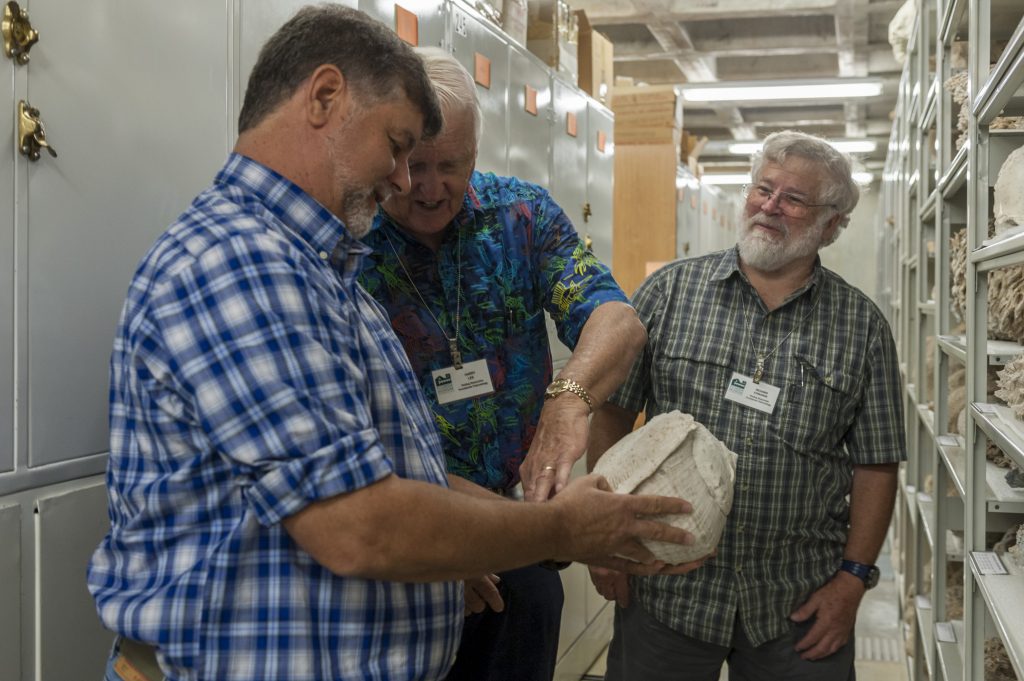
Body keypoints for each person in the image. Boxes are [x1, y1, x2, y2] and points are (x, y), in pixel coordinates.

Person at [86, 8, 699, 681]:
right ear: (325, 99)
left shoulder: (321, 267)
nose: (408, 181)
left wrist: (550, 513)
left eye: (440, 161)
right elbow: (360, 526)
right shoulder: (242, 266)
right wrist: (562, 531)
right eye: (398, 145)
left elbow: (396, 466)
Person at [358, 48, 658, 681]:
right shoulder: (347, 243)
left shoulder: (520, 215)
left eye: (453, 165)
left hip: (519, 536)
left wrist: (567, 399)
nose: (432, 188)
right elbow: (336, 423)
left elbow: (617, 319)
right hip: (400, 540)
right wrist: (448, 535)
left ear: (476, 151)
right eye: (415, 167)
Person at [587, 130, 906, 681]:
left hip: (799, 604)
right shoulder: (668, 293)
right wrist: (602, 539)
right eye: (763, 189)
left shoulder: (862, 327)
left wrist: (853, 579)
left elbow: (876, 463)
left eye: (794, 199)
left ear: (831, 225)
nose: (770, 207)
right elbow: (613, 412)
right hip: (667, 587)